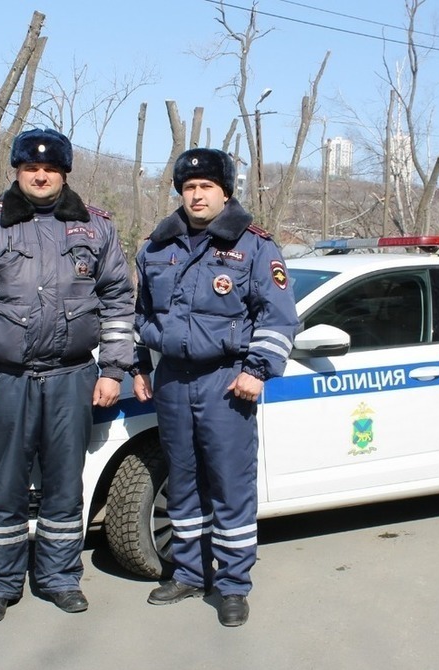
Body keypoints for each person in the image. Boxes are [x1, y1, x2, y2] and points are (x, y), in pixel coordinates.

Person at [0, 128, 134, 622]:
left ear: (64, 173)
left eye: (50, 169)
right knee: (3, 484)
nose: (41, 175)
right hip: (8, 378)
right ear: (18, 171)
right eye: (31, 168)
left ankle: (58, 577)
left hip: (74, 376)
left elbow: (118, 302)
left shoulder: (96, 228)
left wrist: (113, 370)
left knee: (65, 485)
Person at [132, 148, 299, 627]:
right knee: (183, 481)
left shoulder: (255, 246)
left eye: (207, 186)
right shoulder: (156, 247)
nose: (197, 195)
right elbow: (139, 314)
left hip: (228, 381)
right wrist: (139, 365)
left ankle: (232, 585)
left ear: (226, 192)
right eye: (189, 187)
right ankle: (188, 572)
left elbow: (280, 317)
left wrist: (257, 369)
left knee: (229, 484)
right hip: (172, 380)